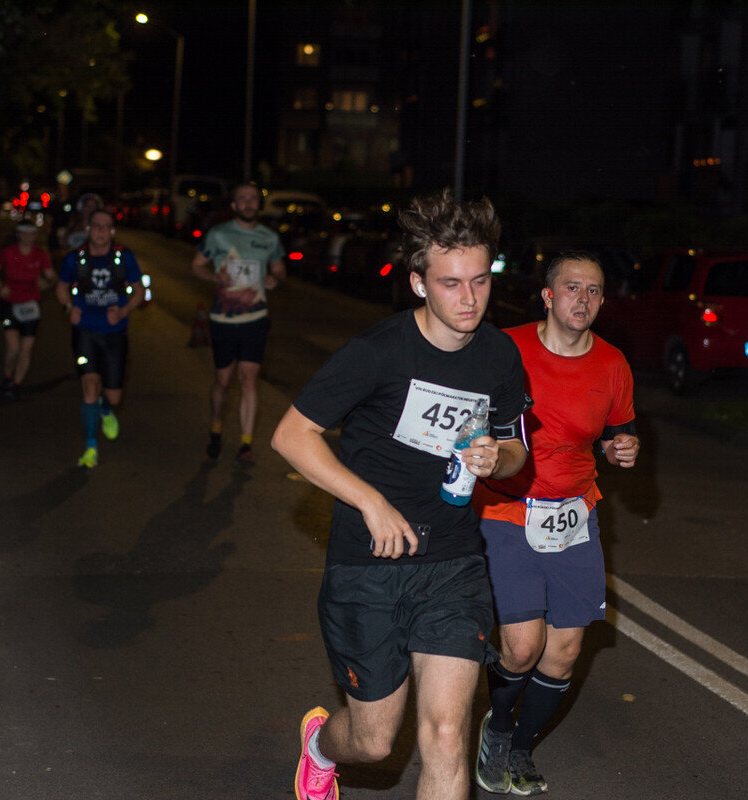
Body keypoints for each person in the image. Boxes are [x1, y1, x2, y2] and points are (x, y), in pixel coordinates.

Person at [272, 189, 530, 800]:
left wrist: (498, 458)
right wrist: (370, 501)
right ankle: (320, 746)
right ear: (418, 284)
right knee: (374, 742)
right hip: (370, 565)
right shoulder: (377, 352)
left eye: (480, 280)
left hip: (453, 563)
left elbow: (517, 448)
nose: (469, 298)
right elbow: (291, 435)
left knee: (446, 734)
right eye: (450, 283)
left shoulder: (499, 355)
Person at [472, 252, 639, 796]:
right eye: (572, 287)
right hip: (507, 510)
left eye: (593, 291)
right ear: (548, 295)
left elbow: (617, 432)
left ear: (603, 301)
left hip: (574, 515)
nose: (582, 299)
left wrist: (621, 448)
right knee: (521, 648)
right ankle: (498, 729)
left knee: (564, 652)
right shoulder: (507, 349)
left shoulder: (612, 363)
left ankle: (522, 746)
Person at [191, 183, 286, 466]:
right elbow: (196, 266)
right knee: (223, 381)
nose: (248, 203)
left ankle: (246, 444)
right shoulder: (218, 234)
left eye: (252, 199)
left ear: (259, 204)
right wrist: (215, 277)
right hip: (223, 318)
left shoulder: (269, 238)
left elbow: (279, 269)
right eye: (242, 199)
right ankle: (216, 428)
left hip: (256, 318)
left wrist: (275, 280)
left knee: (248, 379)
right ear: (233, 205)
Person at [54, 209, 145, 469]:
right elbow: (61, 288)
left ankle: (106, 410)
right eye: (96, 226)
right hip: (85, 332)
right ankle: (91, 447)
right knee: (90, 385)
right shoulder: (75, 258)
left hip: (115, 334)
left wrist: (124, 311)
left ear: (112, 231)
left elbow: (139, 291)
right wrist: (69, 308)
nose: (101, 231)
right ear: (88, 229)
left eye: (106, 226)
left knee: (114, 397)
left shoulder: (124, 257)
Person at [0, 218, 56, 399]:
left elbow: (52, 276)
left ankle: (16, 385)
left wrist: (46, 282)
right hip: (10, 303)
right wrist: (1, 286)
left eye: (32, 234)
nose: (28, 237)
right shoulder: (9, 253)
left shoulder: (39, 254)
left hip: (31, 305)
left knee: (26, 348)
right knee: (13, 347)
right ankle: (7, 377)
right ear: (18, 235)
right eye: (24, 233)